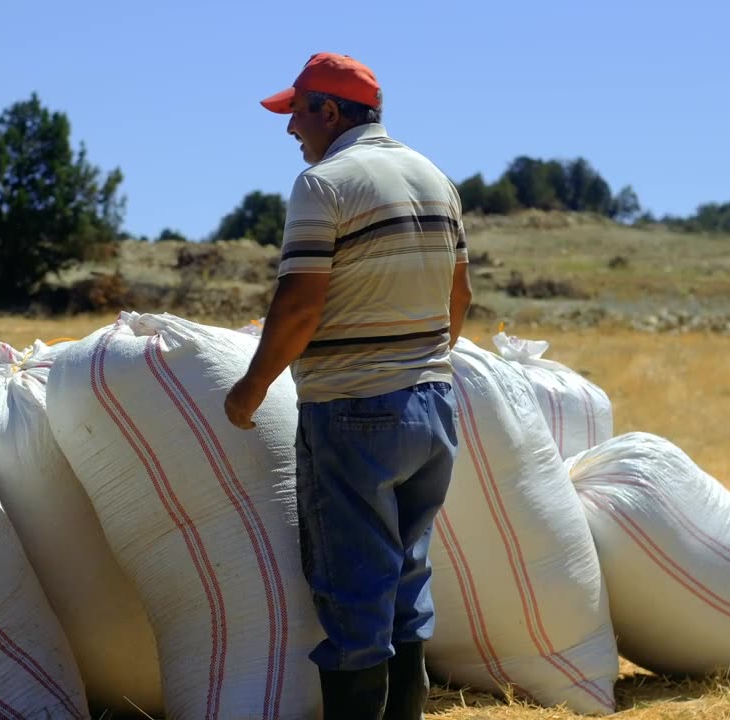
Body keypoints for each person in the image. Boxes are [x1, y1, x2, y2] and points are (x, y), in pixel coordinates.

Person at [223, 52, 472, 719]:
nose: (290, 130)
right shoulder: (433, 177)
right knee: (405, 581)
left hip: (355, 411)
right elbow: (460, 297)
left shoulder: (326, 183)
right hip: (434, 407)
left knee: (354, 591)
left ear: (330, 112)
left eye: (297, 113)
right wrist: (417, 364)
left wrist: (249, 391)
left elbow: (301, 306)